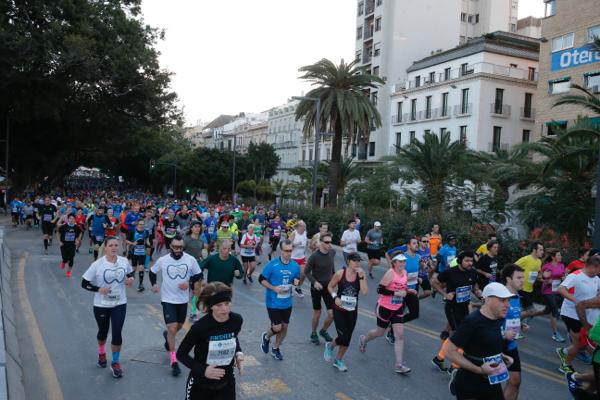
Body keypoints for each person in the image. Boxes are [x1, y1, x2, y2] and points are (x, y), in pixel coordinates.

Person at [446, 282, 515, 400]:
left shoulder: (498, 319)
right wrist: (479, 370)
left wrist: (502, 356)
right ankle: (456, 378)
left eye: (508, 300)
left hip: (492, 380)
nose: (507, 305)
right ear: (488, 300)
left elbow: (485, 344)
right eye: (502, 300)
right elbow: (449, 351)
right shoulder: (472, 322)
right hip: (470, 384)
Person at [176, 282, 244, 400]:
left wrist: (238, 354)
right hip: (201, 384)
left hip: (226, 383)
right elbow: (181, 354)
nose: (225, 309)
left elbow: (233, 337)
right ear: (211, 306)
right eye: (219, 305)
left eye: (227, 303)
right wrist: (203, 370)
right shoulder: (200, 327)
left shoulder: (236, 320)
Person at [81, 236, 135, 378]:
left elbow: (130, 272)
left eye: (116, 245)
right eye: (110, 245)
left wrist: (131, 279)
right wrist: (99, 289)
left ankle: (115, 362)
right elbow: (84, 283)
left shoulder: (123, 261)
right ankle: (101, 353)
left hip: (119, 303)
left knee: (117, 333)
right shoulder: (98, 265)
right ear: (105, 247)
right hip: (101, 305)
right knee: (103, 332)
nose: (113, 248)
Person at [149, 235, 203, 376]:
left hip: (182, 300)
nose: (178, 250)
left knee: (177, 327)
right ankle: (174, 361)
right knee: (173, 328)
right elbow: (152, 272)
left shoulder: (190, 260)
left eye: (180, 247)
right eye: (175, 247)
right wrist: (154, 284)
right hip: (167, 299)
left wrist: (190, 283)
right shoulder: (163, 260)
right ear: (171, 247)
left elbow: (198, 274)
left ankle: (168, 336)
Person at [359, 253, 412, 374]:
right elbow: (380, 290)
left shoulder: (405, 273)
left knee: (399, 335)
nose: (402, 264)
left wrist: (408, 290)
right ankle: (364, 340)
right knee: (379, 332)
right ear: (394, 263)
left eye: (404, 262)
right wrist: (396, 294)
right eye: (400, 262)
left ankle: (399, 364)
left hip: (398, 307)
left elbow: (402, 287)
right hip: (385, 307)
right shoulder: (390, 273)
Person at [432, 251, 482, 372]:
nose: (470, 263)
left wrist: (480, 295)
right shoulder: (450, 272)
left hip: (465, 307)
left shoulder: (473, 272)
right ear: (460, 261)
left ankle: (439, 358)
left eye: (471, 261)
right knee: (462, 336)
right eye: (467, 261)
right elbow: (434, 282)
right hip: (452, 308)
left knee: (458, 336)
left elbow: (474, 288)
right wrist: (444, 294)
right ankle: (455, 366)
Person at [324, 252, 368, 371]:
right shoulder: (340, 273)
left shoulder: (361, 275)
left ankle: (338, 360)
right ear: (348, 261)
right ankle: (330, 345)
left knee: (347, 339)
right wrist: (335, 297)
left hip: (352, 310)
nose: (357, 263)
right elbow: (329, 286)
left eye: (359, 261)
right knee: (343, 336)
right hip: (339, 309)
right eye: (355, 261)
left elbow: (364, 291)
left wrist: (362, 277)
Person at [557, 255, 600, 374]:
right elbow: (561, 289)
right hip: (571, 313)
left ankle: (565, 351)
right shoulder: (576, 276)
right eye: (599, 269)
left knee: (583, 343)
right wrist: (576, 301)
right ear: (592, 267)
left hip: (585, 314)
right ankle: (566, 365)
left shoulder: (596, 278)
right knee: (578, 343)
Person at [259, 239, 300, 361]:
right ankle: (266, 337)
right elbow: (261, 279)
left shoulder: (295, 266)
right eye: (286, 251)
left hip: (287, 302)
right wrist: (273, 288)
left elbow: (296, 279)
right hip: (273, 302)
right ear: (281, 250)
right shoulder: (272, 265)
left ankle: (275, 348)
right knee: (277, 328)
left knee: (285, 327)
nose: (288, 253)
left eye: (290, 251)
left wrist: (294, 285)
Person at [502, 264, 529, 400]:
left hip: (510, 345)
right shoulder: (500, 296)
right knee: (487, 382)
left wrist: (520, 324)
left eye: (523, 277)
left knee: (515, 381)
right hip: (496, 345)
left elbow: (512, 316)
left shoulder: (516, 296)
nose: (522, 280)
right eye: (518, 277)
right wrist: (503, 334)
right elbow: (486, 322)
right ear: (508, 279)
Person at [304, 232, 336, 345]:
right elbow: (306, 272)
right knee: (317, 312)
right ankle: (313, 333)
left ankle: (323, 331)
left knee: (332, 314)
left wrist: (334, 280)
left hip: (328, 287)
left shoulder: (332, 252)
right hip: (316, 288)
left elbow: (332, 268)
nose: (329, 244)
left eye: (330, 242)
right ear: (321, 242)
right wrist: (315, 282)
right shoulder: (314, 256)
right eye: (326, 242)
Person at [541, 249, 567, 342]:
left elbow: (563, 275)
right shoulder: (547, 266)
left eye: (560, 255)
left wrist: (564, 277)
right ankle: (555, 334)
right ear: (553, 257)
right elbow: (543, 277)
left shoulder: (562, 265)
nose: (561, 257)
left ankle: (530, 315)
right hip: (548, 291)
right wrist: (546, 278)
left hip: (557, 291)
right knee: (555, 311)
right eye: (559, 255)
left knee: (547, 310)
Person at [515, 241, 544, 316]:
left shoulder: (539, 261)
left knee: (526, 311)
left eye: (542, 250)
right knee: (531, 311)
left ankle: (518, 322)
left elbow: (537, 275)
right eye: (540, 250)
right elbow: (512, 268)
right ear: (534, 250)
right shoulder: (526, 259)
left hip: (530, 290)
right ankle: (516, 321)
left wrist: (542, 278)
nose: (542, 252)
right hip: (521, 289)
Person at [126, 219, 151, 292]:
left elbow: (147, 241)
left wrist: (149, 245)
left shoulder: (146, 232)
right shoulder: (132, 231)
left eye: (143, 224)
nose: (142, 225)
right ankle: (130, 276)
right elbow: (127, 240)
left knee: (141, 267)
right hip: (134, 252)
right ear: (137, 224)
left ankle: (140, 284)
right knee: (133, 268)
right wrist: (132, 243)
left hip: (142, 252)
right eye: (140, 224)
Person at [288, 220, 308, 297]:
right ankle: (289, 288)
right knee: (291, 275)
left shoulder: (305, 233)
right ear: (299, 226)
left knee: (303, 274)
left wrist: (305, 253)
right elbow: (287, 244)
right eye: (303, 226)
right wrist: (295, 244)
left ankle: (298, 288)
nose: (304, 228)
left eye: (305, 227)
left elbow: (305, 243)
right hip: (293, 257)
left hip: (301, 257)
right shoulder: (294, 233)